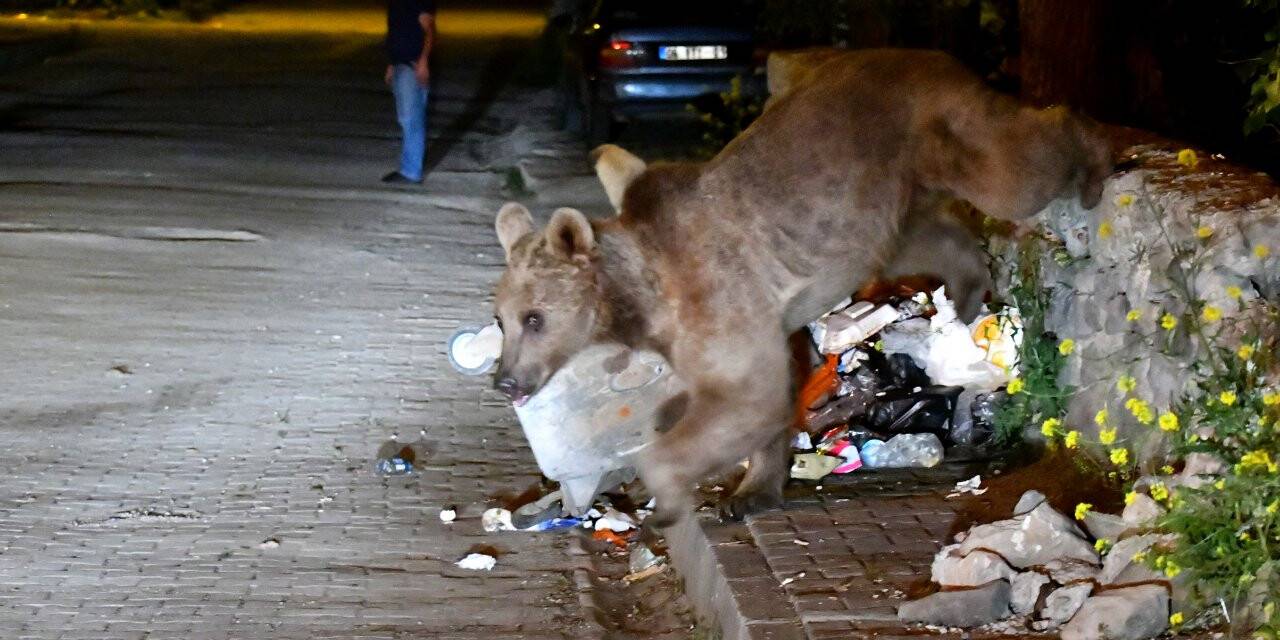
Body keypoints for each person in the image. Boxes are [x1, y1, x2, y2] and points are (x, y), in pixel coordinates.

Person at [383, 0, 436, 185]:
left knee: (411, 118)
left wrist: (423, 61)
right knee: (406, 118)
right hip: (399, 63)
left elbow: (429, 29)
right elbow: (395, 31)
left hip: (412, 64)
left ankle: (412, 171)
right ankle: (409, 168)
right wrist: (391, 63)